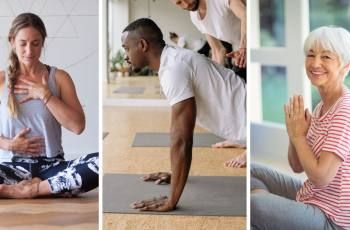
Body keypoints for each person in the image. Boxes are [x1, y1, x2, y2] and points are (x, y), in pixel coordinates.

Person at [121, 18, 246, 212]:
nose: (125, 56)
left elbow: (181, 139)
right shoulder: (173, 59)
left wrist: (172, 199)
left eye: (126, 48)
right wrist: (176, 172)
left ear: (143, 45)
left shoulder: (173, 69)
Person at [251, 26, 350, 229]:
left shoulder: (344, 111)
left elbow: (321, 177)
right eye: (311, 55)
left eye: (326, 57)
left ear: (345, 66)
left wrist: (298, 137)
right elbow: (297, 166)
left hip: (332, 218)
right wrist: (294, 132)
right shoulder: (322, 106)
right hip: (311, 196)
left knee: (254, 204)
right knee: (252, 172)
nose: (315, 63)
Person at [0, 13, 98, 198]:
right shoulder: (1, 80)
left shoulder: (59, 78)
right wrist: (9, 144)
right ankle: (36, 188)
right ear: (12, 41)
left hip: (52, 168)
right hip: (10, 168)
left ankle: (33, 189)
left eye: (35, 43)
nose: (29, 51)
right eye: (23, 43)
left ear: (43, 42)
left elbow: (78, 126)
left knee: (103, 161)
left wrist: (46, 96)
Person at [171, 0, 247, 167]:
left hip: (252, 43)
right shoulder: (195, 17)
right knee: (235, 99)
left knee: (251, 98)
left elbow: (246, 15)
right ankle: (243, 138)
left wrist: (243, 47)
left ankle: (250, 150)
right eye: (178, 3)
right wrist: (217, 84)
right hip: (240, 52)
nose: (184, 4)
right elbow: (218, 50)